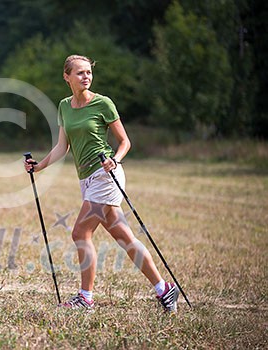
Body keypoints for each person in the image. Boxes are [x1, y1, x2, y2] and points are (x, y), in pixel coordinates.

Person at [24, 54, 179, 312]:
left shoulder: (103, 103)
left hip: (105, 176)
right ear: (67, 77)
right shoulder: (64, 106)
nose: (86, 76)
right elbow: (63, 147)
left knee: (80, 233)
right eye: (80, 73)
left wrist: (114, 160)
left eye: (89, 72)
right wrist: (39, 166)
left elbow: (124, 142)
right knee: (124, 237)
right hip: (86, 179)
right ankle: (164, 289)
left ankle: (86, 298)